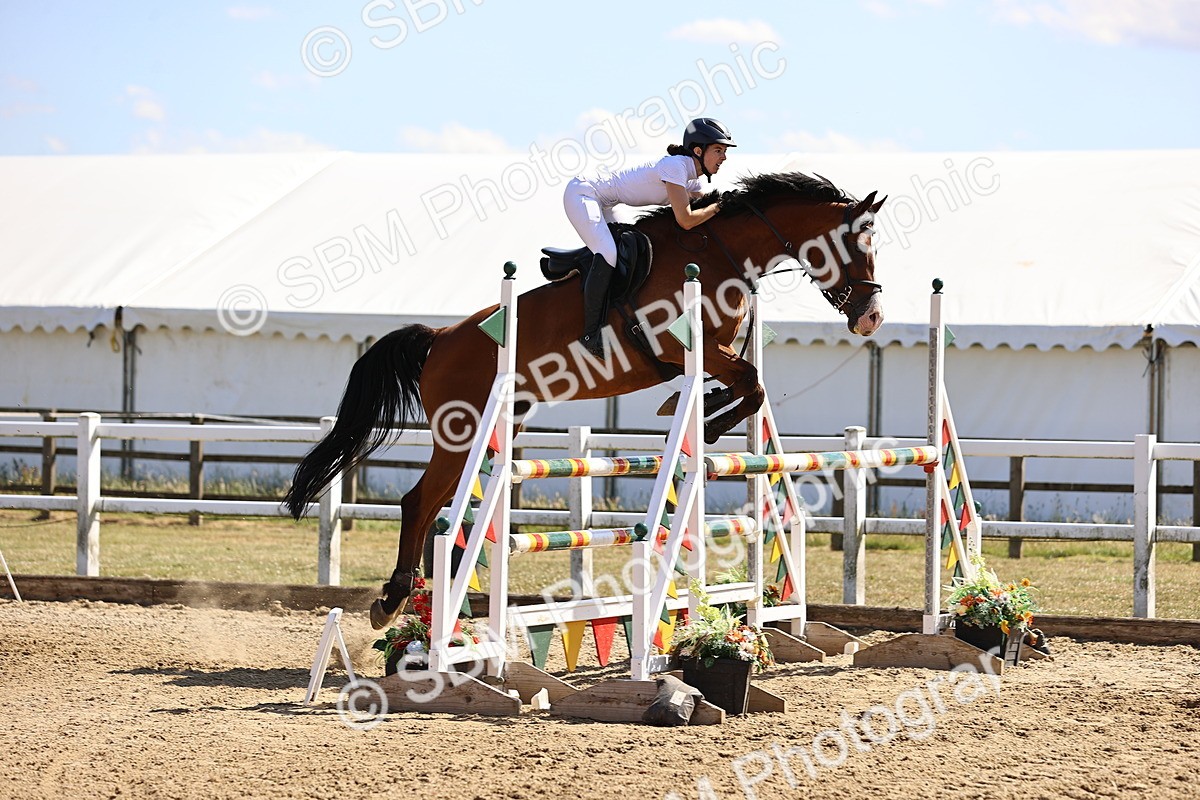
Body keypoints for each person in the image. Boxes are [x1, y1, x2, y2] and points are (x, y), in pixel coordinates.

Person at [563, 117, 736, 356]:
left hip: (607, 202)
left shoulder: (690, 177)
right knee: (610, 253)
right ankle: (591, 334)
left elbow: (704, 205)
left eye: (724, 151)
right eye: (718, 150)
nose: (724, 157)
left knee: (626, 251)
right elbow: (686, 220)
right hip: (584, 193)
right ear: (698, 150)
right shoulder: (676, 167)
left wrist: (728, 205)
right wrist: (719, 206)